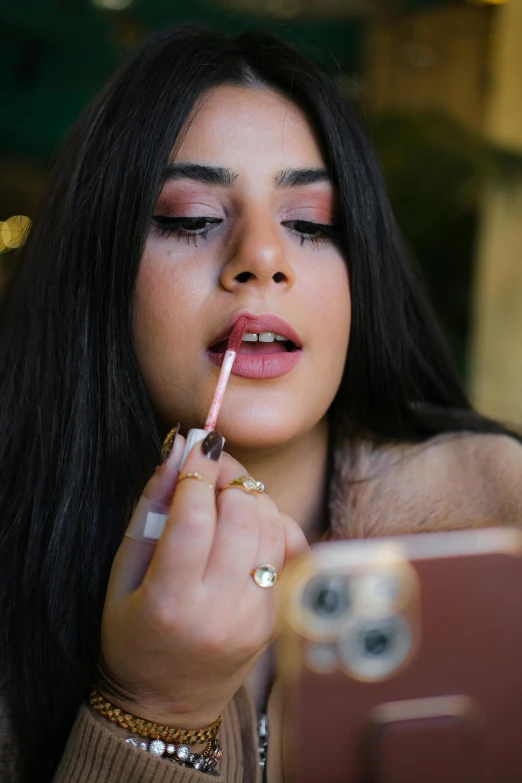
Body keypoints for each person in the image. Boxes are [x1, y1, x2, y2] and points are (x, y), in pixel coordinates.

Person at [0, 23, 521, 783]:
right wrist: (154, 710)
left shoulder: (503, 514)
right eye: (190, 217)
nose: (263, 259)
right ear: (97, 268)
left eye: (311, 224)